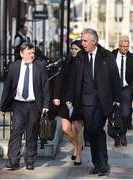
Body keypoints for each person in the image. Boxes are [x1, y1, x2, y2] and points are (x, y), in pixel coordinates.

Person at [66, 28, 121, 176]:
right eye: (82, 40)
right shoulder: (80, 58)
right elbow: (72, 80)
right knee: (91, 132)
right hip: (85, 103)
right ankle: (98, 164)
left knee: (97, 130)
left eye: (84, 40)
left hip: (103, 102)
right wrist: (69, 99)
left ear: (93, 41)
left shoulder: (107, 56)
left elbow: (115, 78)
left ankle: (103, 164)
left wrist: (117, 99)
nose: (82, 43)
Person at [0, 42, 50, 170]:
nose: (32, 55)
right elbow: (7, 88)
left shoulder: (40, 66)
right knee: (16, 131)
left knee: (31, 133)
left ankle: (30, 161)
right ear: (22, 54)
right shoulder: (13, 67)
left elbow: (45, 87)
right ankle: (13, 161)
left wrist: (45, 105)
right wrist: (2, 106)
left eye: (33, 52)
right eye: (29, 53)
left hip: (34, 105)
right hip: (18, 104)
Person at [53, 39, 84, 165]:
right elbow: (59, 79)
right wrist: (56, 96)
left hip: (79, 100)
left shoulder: (85, 63)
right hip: (65, 99)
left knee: (77, 128)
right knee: (66, 128)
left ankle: (78, 156)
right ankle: (77, 146)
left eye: (76, 49)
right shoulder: (68, 62)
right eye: (72, 49)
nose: (73, 51)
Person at [112, 36, 133, 147]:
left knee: (125, 114)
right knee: (114, 114)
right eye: (123, 46)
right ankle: (116, 136)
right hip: (113, 90)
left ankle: (123, 134)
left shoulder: (131, 57)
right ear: (119, 46)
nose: (125, 49)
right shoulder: (112, 55)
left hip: (126, 90)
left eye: (127, 47)